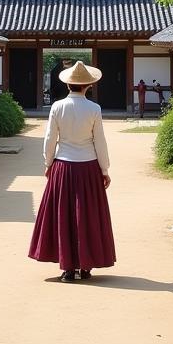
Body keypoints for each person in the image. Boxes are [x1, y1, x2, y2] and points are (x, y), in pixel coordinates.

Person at [28, 60, 116, 282]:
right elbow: (100, 142)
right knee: (87, 216)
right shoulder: (94, 109)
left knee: (63, 215)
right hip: (88, 167)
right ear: (88, 85)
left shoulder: (57, 107)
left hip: (63, 166)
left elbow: (50, 139)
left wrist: (48, 164)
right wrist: (104, 169)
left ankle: (67, 268)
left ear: (68, 85)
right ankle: (85, 267)